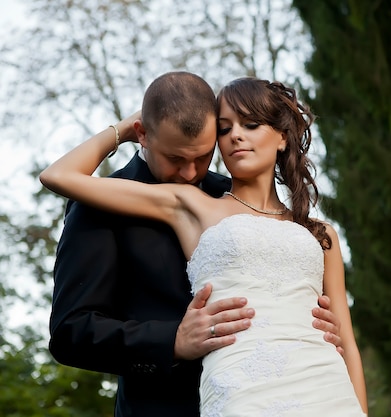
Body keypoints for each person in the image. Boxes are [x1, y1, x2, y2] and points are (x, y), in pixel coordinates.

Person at [42, 75, 367, 416]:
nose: (189, 173)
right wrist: (172, 341)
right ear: (144, 135)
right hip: (175, 405)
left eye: (202, 156)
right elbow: (71, 331)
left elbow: (337, 328)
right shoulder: (115, 201)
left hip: (315, 383)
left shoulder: (235, 197)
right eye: (227, 129)